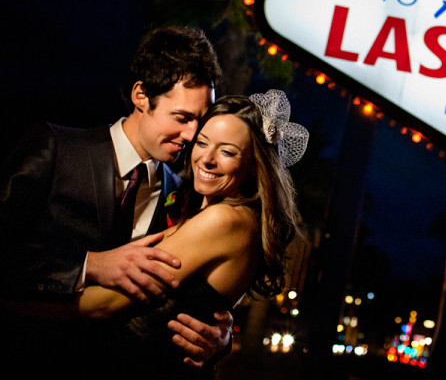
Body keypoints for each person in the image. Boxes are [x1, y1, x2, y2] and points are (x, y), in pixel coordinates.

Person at [0, 27, 231, 373]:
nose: (191, 135)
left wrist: (220, 335)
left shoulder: (185, 196)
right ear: (141, 95)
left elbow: (188, 290)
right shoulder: (56, 148)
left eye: (199, 122)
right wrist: (91, 265)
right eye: (182, 118)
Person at [78, 91, 306, 378]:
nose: (206, 159)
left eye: (227, 151)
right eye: (202, 142)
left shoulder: (225, 219)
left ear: (252, 166)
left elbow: (105, 303)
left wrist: (19, 301)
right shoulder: (194, 202)